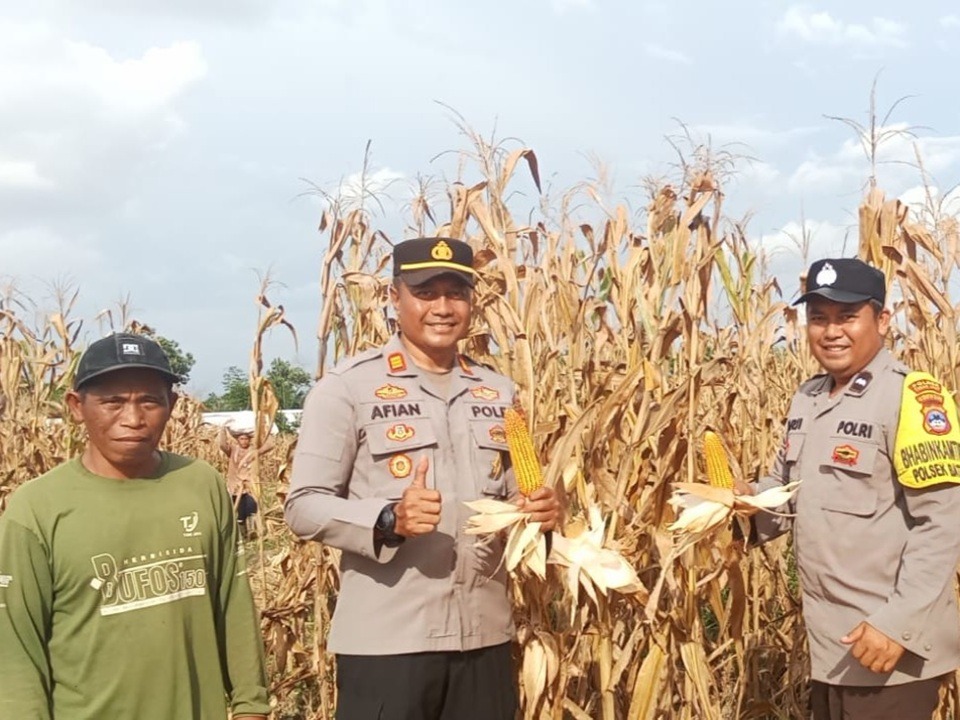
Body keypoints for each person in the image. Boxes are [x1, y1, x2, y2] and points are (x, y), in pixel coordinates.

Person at [284, 237, 562, 720]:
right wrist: (389, 517)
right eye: (425, 293)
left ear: (472, 301)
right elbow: (303, 505)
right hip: (388, 643)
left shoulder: (497, 391)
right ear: (395, 299)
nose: (442, 307)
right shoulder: (348, 387)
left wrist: (545, 514)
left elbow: (519, 501)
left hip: (484, 637)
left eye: (456, 293)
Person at [0, 332, 271, 720]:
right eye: (112, 402)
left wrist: (251, 706)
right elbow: (15, 652)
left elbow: (232, 603)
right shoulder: (37, 509)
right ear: (77, 407)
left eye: (149, 400)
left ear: (172, 405)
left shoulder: (200, 483)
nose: (133, 419)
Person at [737, 258, 960, 720]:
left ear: (881, 320)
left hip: (888, 650)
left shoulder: (911, 397)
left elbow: (943, 521)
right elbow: (787, 491)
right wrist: (737, 506)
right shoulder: (809, 397)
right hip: (830, 648)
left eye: (846, 317)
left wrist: (896, 625)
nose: (830, 331)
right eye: (818, 318)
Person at [219, 424, 274, 539]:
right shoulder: (233, 451)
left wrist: (263, 429)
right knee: (239, 512)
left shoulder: (254, 451)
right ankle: (241, 535)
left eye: (246, 439)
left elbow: (270, 445)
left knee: (251, 508)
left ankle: (252, 533)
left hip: (250, 487)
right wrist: (223, 431)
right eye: (241, 439)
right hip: (235, 486)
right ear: (237, 440)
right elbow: (222, 445)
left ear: (249, 440)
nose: (244, 441)